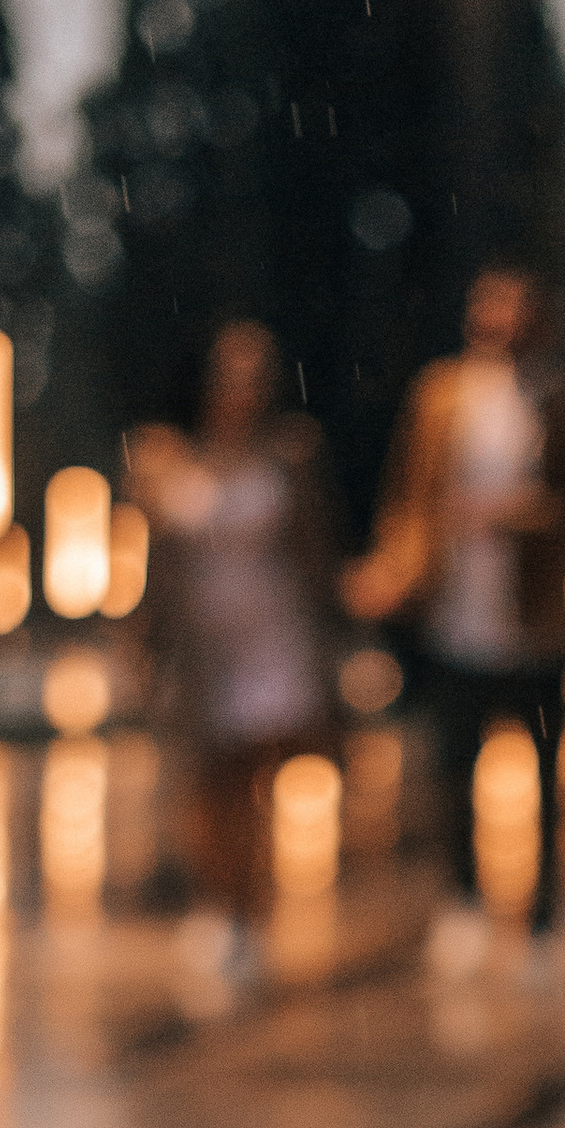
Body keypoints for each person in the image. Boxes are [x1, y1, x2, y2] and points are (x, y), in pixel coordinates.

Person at [346, 269, 565, 973]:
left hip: (539, 624)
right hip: (457, 620)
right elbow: (413, 495)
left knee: (544, 777)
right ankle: (464, 902)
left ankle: (541, 920)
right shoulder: (443, 397)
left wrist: (528, 519)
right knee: (455, 774)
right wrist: (396, 568)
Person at [131, 323, 343, 994]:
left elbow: (317, 549)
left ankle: (245, 910)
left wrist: (341, 635)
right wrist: (140, 643)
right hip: (204, 646)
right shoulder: (164, 459)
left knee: (256, 775)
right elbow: (152, 566)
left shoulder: (291, 453)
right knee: (207, 779)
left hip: (275, 637)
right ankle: (217, 901)